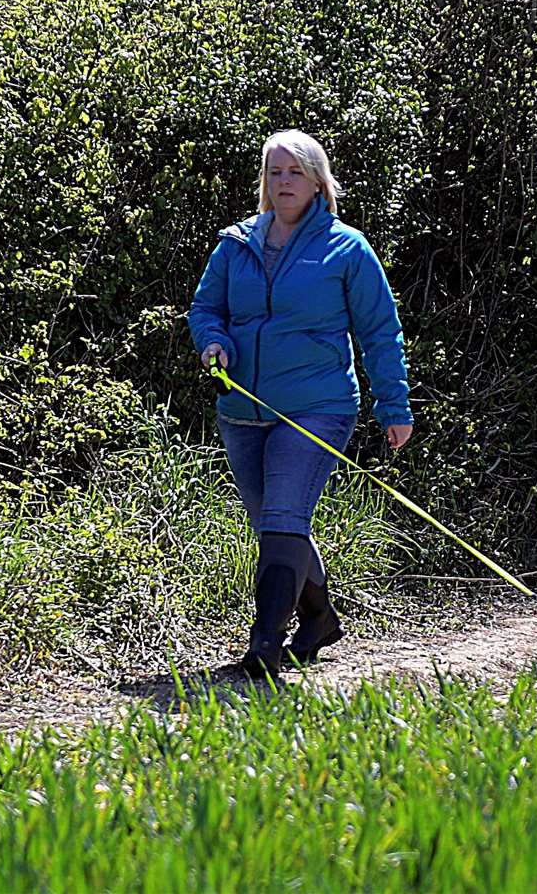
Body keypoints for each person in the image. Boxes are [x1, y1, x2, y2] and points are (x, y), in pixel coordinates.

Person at [189, 129, 414, 675]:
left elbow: (379, 331)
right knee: (272, 522)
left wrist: (394, 406)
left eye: (294, 172)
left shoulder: (347, 248)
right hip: (242, 409)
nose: (283, 181)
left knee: (285, 516)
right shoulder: (236, 243)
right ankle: (319, 620)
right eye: (274, 172)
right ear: (264, 181)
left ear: (317, 181)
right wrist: (213, 342)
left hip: (318, 406)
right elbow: (205, 309)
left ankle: (264, 645)